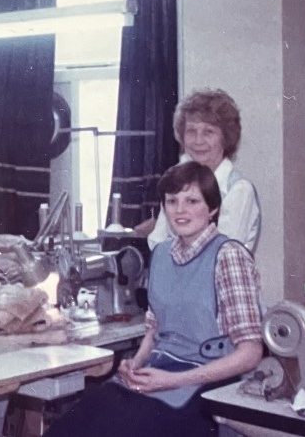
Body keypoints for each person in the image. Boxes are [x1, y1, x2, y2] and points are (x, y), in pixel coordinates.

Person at [45, 161, 263, 437]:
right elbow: (154, 330)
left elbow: (250, 353)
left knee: (123, 427)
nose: (180, 210)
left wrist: (174, 380)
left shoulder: (229, 256)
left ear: (213, 209)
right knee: (77, 421)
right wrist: (135, 363)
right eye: (172, 201)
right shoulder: (160, 254)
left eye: (192, 200)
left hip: (207, 385)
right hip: (158, 373)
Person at [145, 89, 261, 252]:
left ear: (225, 138)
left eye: (208, 132)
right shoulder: (177, 183)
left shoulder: (239, 190)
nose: (198, 141)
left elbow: (222, 252)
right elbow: (157, 242)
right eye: (191, 131)